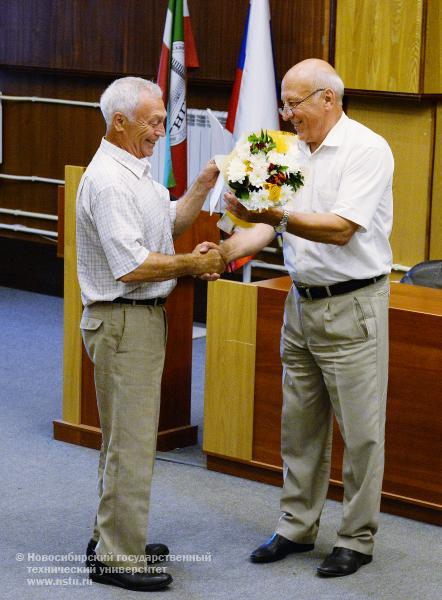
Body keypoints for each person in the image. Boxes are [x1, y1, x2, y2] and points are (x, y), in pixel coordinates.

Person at [211, 58, 394, 577]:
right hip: (301, 302)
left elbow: (340, 229)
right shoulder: (284, 152)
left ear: (328, 99)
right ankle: (296, 525)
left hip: (353, 304)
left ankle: (356, 538)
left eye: (296, 104)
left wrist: (274, 215)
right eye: (284, 104)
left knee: (360, 433)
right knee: (299, 424)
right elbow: (262, 228)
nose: (287, 115)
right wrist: (223, 254)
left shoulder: (366, 148)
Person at [76, 76, 225, 591]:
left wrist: (202, 186)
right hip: (123, 322)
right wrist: (192, 264)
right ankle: (117, 558)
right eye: (154, 121)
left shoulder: (135, 171)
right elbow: (132, 265)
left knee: (125, 440)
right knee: (132, 445)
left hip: (137, 323)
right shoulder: (108, 181)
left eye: (164, 119)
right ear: (119, 122)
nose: (163, 130)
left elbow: (168, 223)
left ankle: (113, 536)